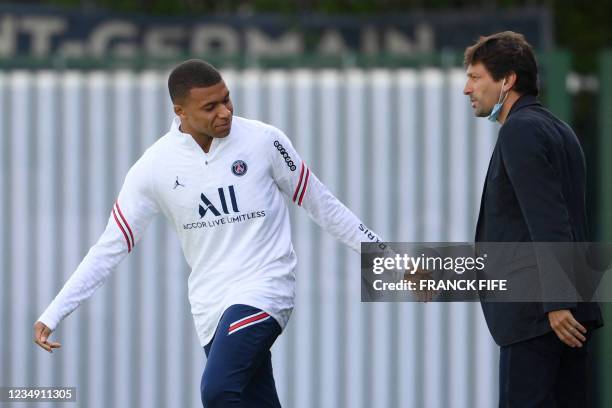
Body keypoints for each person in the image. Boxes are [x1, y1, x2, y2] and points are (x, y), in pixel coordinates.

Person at [33, 59, 397, 407]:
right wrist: (53, 313)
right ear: (180, 111)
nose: (225, 112)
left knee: (218, 391)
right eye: (210, 107)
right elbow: (110, 246)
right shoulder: (153, 167)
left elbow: (323, 204)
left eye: (227, 99)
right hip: (209, 307)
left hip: (265, 289)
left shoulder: (264, 141)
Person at [463, 31, 603, 407]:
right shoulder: (561, 130)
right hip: (569, 317)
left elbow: (549, 219)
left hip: (538, 318)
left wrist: (556, 302)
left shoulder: (520, 131)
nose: (467, 89)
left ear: (507, 80)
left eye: (476, 77)